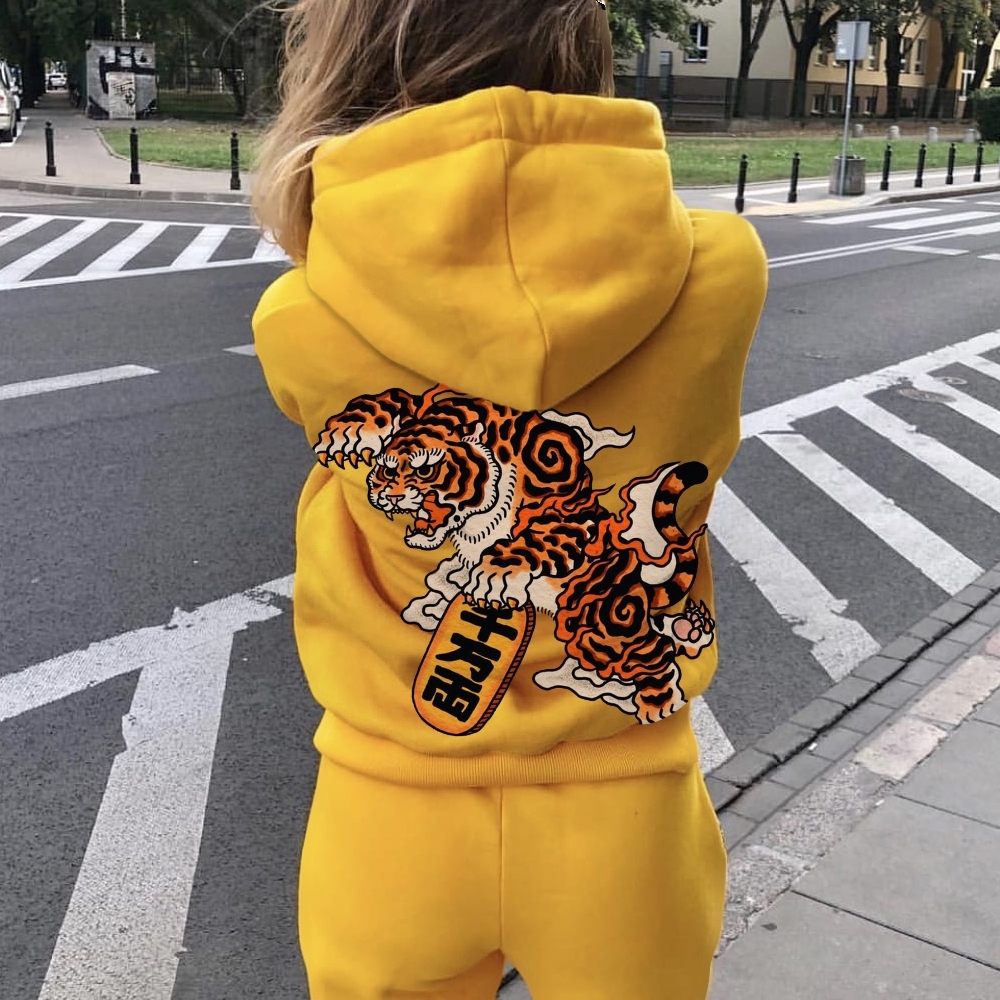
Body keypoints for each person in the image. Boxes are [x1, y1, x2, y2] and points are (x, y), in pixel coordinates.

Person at [251, 1, 767, 997]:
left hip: (390, 812)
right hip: (624, 814)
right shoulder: (721, 270)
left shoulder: (300, 315)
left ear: (351, 62)